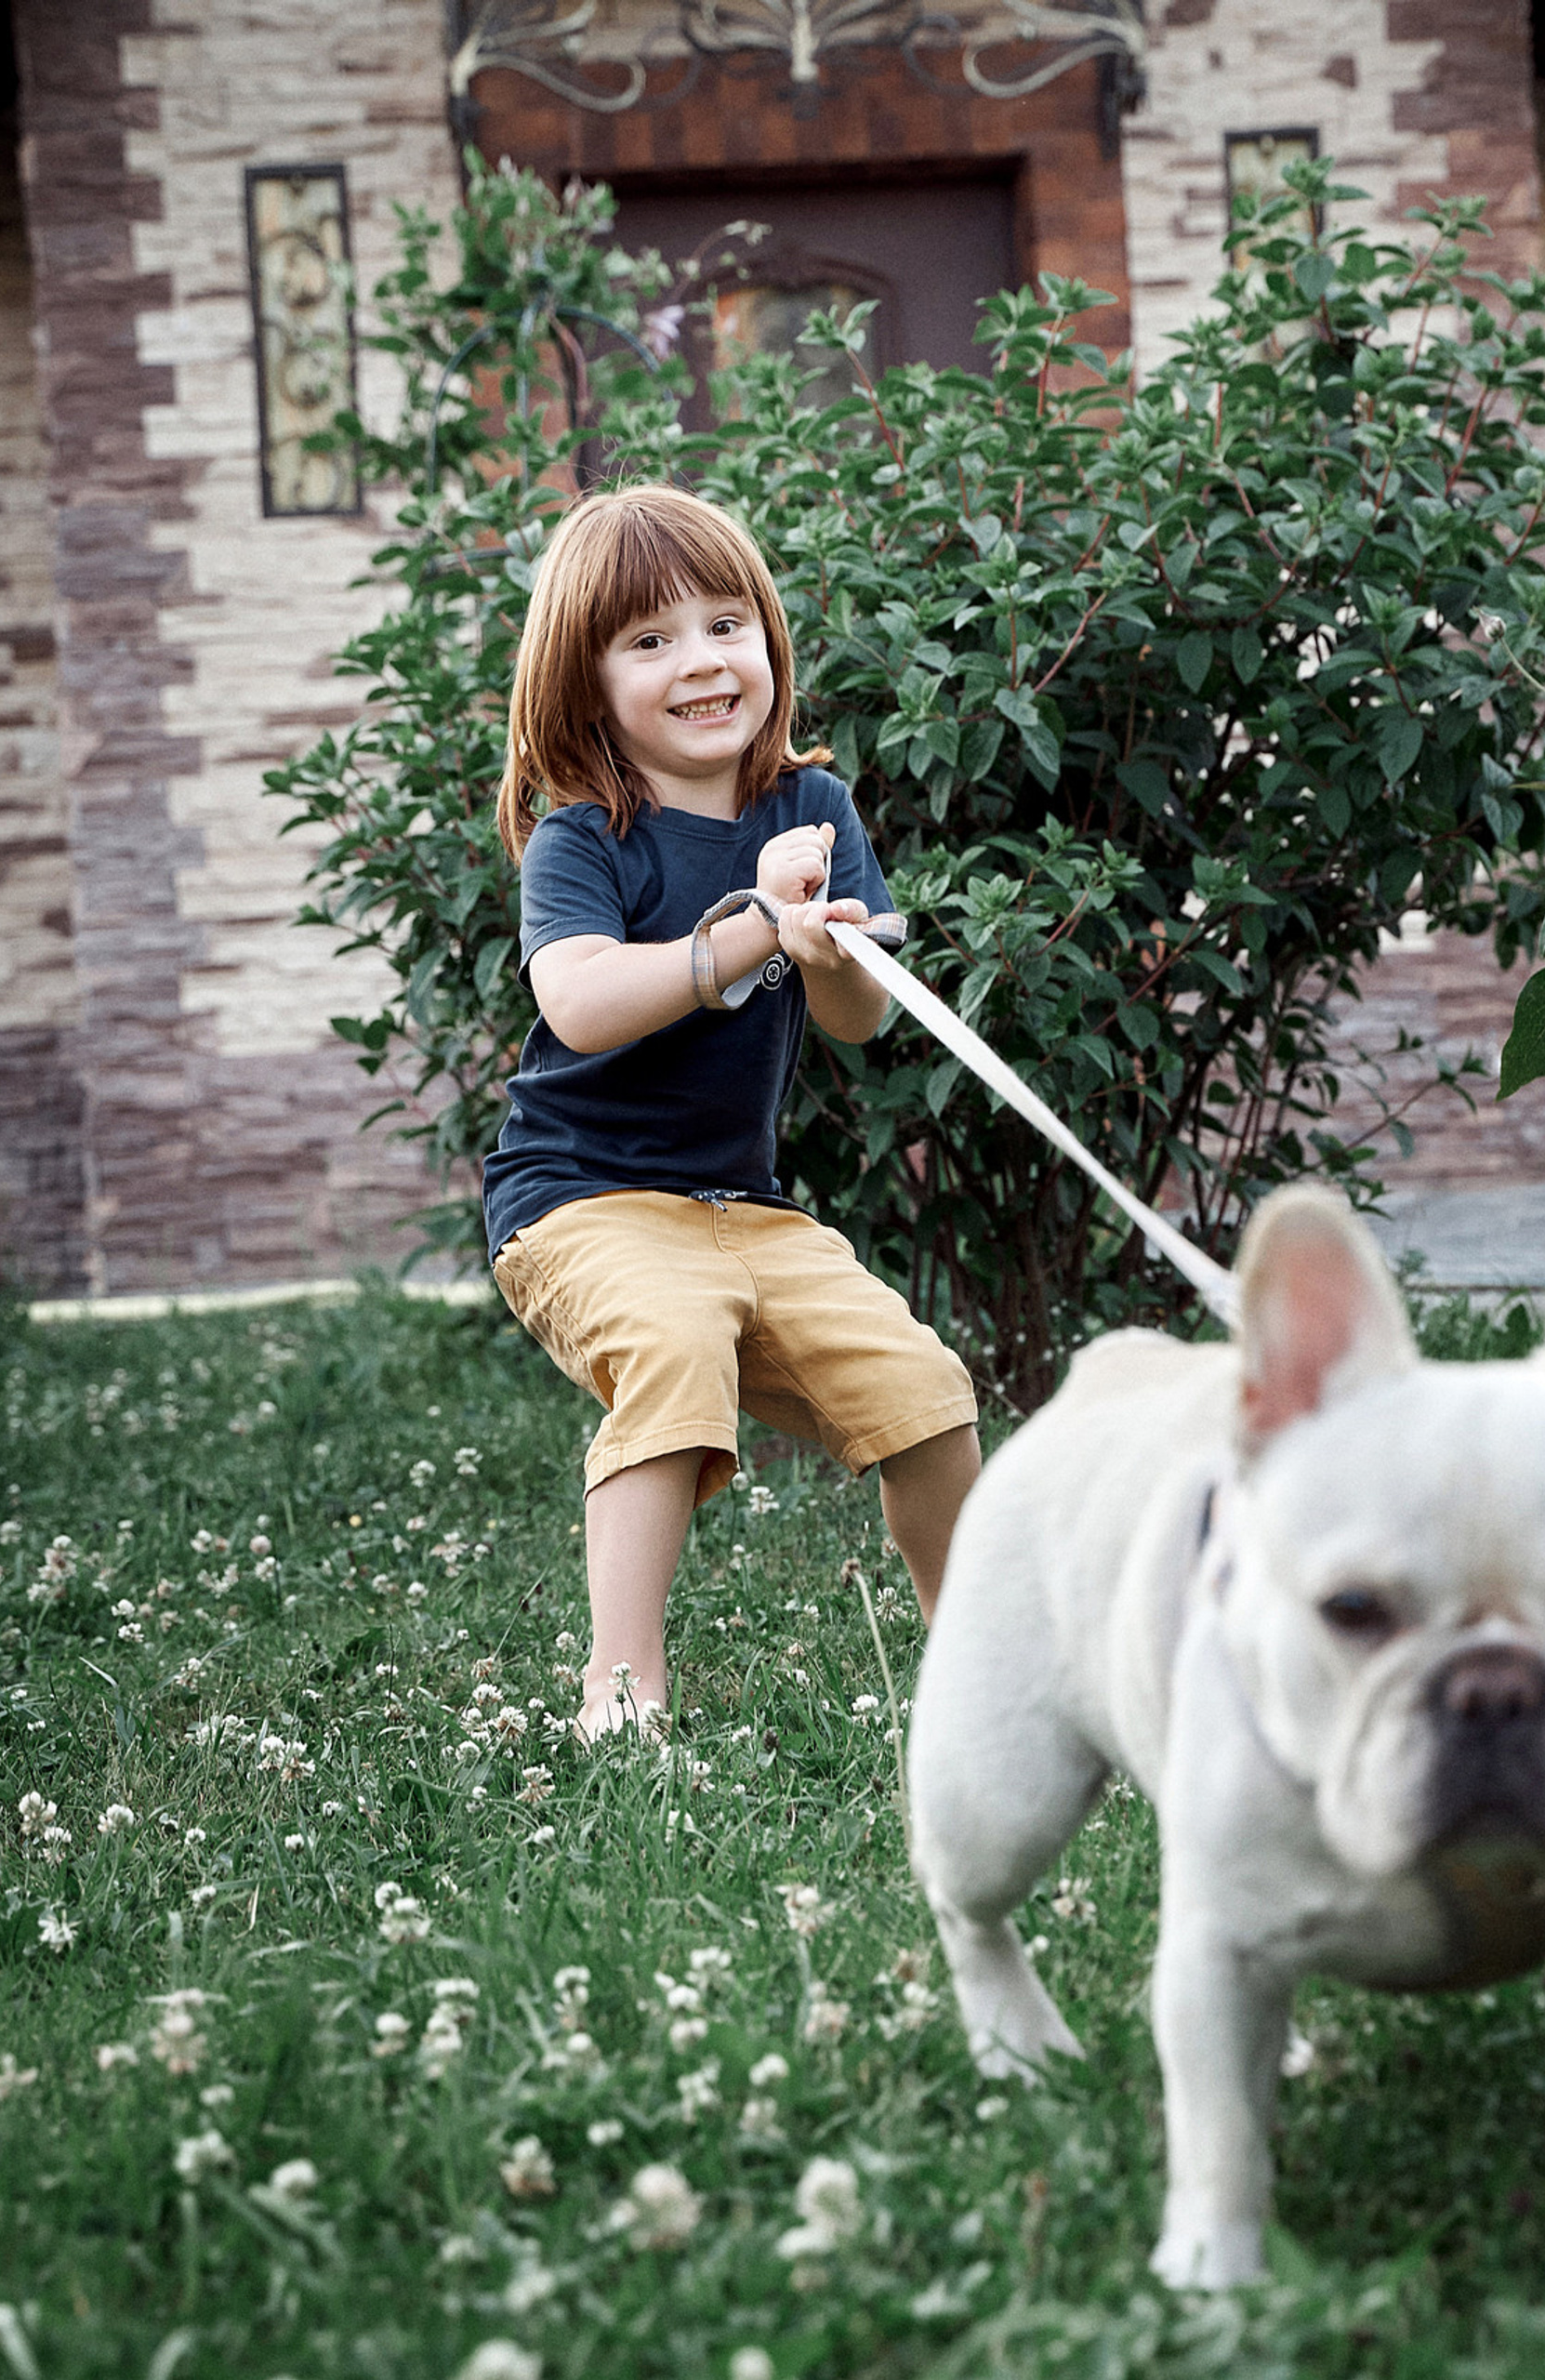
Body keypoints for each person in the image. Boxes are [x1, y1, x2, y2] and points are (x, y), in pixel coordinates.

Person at [484, 483, 980, 1740]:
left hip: (743, 1208)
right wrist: (752, 927)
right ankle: (621, 1697)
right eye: (649, 642)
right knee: (671, 1345)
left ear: (768, 638)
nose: (701, 661)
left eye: (725, 625)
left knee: (924, 1386)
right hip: (580, 1203)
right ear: (586, 683)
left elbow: (860, 1022)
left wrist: (828, 950)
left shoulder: (814, 814)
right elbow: (585, 1004)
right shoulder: (584, 839)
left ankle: (988, 1674)